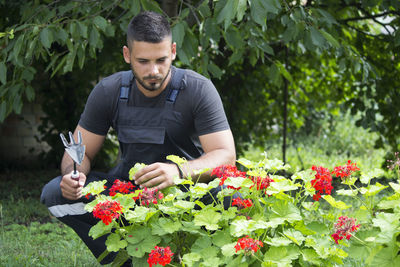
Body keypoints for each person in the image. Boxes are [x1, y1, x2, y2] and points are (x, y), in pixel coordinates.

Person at [40, 11, 236, 265]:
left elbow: (225, 155)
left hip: (187, 197)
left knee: (230, 195)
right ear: (126, 55)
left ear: (174, 51)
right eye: (143, 61)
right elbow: (80, 152)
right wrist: (72, 175)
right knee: (55, 193)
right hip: (128, 196)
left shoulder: (198, 89)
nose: (153, 70)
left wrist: (179, 171)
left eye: (161, 60)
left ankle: (190, 256)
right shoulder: (108, 91)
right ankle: (125, 257)